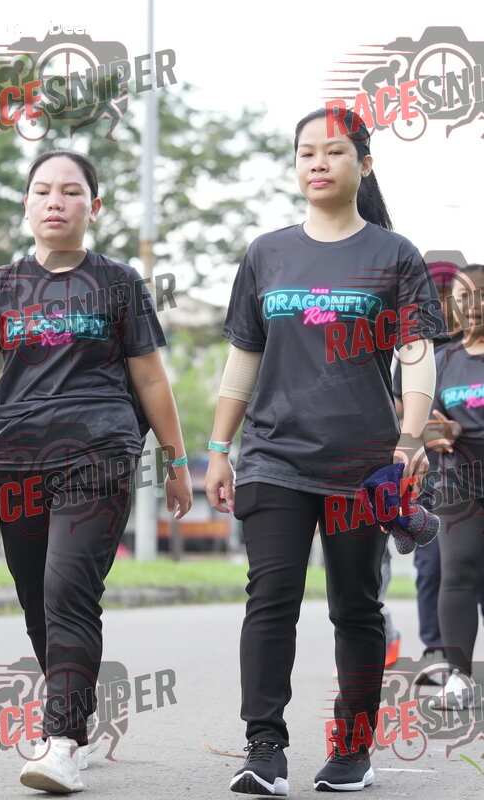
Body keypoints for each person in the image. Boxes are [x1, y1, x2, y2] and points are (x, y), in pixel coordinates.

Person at [204, 107, 449, 795]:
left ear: (363, 165)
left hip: (362, 463)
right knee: (270, 598)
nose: (318, 162)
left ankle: (352, 749)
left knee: (356, 606)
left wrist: (409, 438)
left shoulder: (393, 254)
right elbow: (244, 357)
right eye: (306, 151)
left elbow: (416, 354)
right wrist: (219, 447)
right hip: (273, 456)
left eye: (334, 151)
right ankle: (264, 749)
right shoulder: (267, 253)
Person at [0, 150, 192, 794]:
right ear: (26, 203)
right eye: (43, 190)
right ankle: (72, 716)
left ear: (92, 207)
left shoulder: (119, 282)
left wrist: (176, 460)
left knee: (68, 587)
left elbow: (150, 378)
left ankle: (63, 742)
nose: (56, 201)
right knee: (37, 598)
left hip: (99, 451)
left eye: (71, 191)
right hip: (16, 458)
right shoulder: (1, 284)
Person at [424, 265, 484, 708]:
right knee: (457, 573)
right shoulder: (442, 359)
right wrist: (433, 433)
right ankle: (459, 679)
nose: (473, 305)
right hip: (458, 482)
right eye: (463, 298)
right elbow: (420, 422)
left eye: (481, 294)